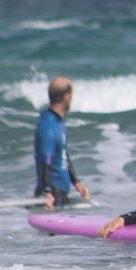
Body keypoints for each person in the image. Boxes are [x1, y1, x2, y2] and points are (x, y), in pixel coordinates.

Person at [34, 77, 90, 209]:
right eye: (71, 94)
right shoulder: (48, 126)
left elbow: (63, 154)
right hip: (53, 194)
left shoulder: (58, 122)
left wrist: (76, 182)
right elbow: (45, 161)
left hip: (59, 191)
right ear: (66, 96)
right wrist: (46, 192)